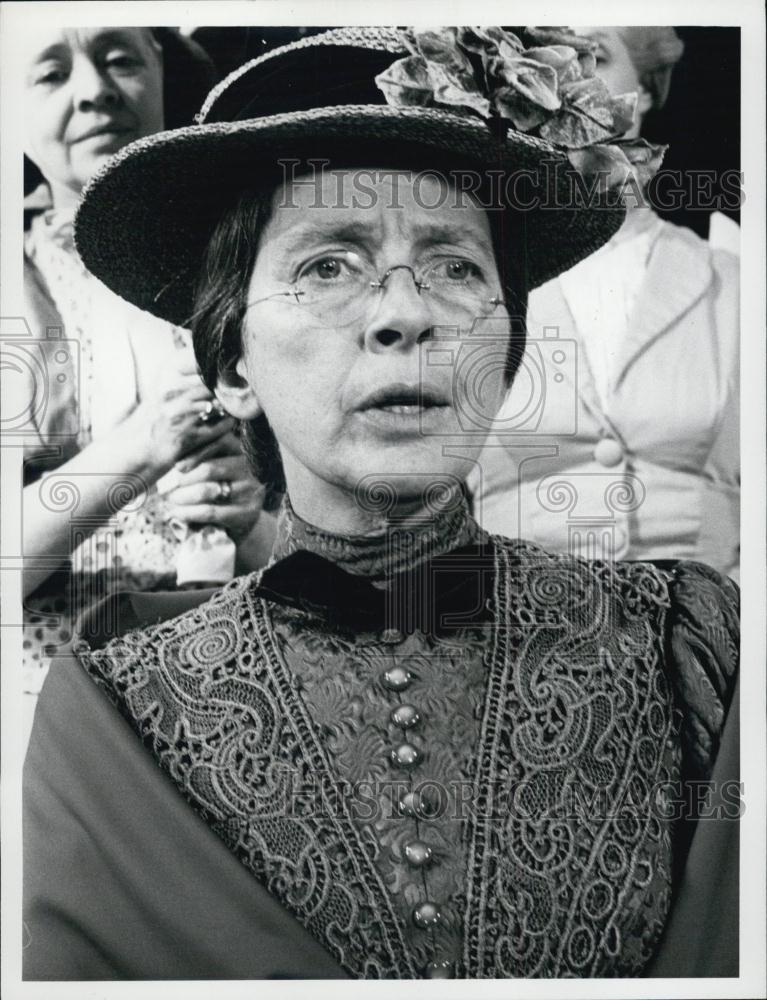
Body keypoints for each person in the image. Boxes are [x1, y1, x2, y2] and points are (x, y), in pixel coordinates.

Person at [23, 27, 739, 980]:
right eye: (327, 266)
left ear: (508, 350)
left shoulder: (687, 647)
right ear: (232, 363)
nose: (404, 313)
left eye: (454, 266)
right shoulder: (122, 705)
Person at [20, 26, 275, 740]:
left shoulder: (247, 269)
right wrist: (139, 449)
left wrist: (254, 526)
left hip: (247, 695)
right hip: (68, 718)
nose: (95, 91)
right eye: (49, 73)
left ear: (162, 73)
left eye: (120, 59)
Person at [470, 27, 740, 579]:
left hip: (710, 642)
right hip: (516, 636)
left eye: (593, 53)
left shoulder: (734, 282)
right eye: (543, 55)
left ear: (640, 91)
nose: (566, 73)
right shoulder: (473, 284)